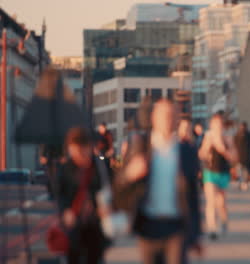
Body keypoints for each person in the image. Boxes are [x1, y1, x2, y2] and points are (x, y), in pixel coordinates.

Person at [123, 99, 202, 264]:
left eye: (172, 115)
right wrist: (129, 175)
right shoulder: (140, 147)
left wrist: (195, 234)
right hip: (148, 226)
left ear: (177, 120)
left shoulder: (187, 152)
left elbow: (193, 195)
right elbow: (118, 185)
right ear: (153, 118)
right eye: (164, 115)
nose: (168, 119)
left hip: (176, 227)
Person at [56, 127, 108, 264]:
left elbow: (110, 189)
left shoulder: (100, 166)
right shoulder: (65, 168)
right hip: (73, 223)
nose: (77, 155)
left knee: (94, 258)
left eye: (81, 150)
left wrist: (105, 206)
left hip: (95, 224)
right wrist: (65, 210)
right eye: (73, 150)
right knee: (73, 258)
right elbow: (59, 194)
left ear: (88, 147)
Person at [199, 114, 237, 240]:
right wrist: (207, 148)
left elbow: (234, 157)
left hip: (223, 173)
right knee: (211, 201)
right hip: (210, 172)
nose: (217, 127)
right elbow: (202, 154)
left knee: (221, 203)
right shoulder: (208, 137)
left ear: (223, 126)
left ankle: (224, 221)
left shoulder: (228, 138)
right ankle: (212, 228)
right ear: (211, 125)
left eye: (219, 124)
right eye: (214, 124)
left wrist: (223, 150)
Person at [234, 122, 250, 190]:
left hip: (244, 157)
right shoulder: (238, 135)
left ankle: (243, 183)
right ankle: (242, 183)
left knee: (244, 172)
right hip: (242, 157)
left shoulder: (247, 135)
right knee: (241, 171)